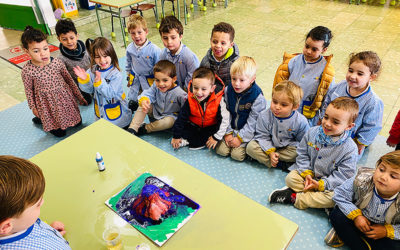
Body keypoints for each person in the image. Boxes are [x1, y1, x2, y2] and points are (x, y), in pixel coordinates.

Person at [269, 97, 359, 210]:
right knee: (290, 178)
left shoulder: (350, 149)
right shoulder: (312, 132)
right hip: (309, 176)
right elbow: (302, 153)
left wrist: (322, 184)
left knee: (335, 197)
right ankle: (315, 199)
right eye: (326, 117)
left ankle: (295, 197)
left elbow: (344, 175)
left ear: (349, 126)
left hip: (329, 184)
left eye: (335, 122)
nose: (327, 123)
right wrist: (306, 173)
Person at [21, 26, 87, 137]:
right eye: (36, 51)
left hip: (65, 99)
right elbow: (28, 90)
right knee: (60, 133)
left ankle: (46, 118)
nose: (43, 54)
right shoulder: (27, 71)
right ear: (26, 51)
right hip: (47, 104)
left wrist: (80, 97)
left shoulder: (57, 63)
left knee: (77, 124)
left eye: (45, 48)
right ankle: (42, 119)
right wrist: (33, 107)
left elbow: (70, 81)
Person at [329, 151, 400, 249]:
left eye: (393, 176)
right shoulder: (362, 179)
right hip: (357, 218)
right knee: (337, 215)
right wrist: (356, 216)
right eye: (381, 169)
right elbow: (339, 194)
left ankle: (349, 238)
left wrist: (386, 231)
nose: (383, 177)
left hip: (383, 230)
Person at [320, 51, 383, 157]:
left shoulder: (373, 102)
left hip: (351, 140)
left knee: (344, 161)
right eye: (350, 71)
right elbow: (327, 103)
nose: (352, 76)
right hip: (330, 130)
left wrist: (360, 143)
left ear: (371, 77)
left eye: (360, 74)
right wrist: (322, 118)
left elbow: (372, 127)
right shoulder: (339, 86)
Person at [0, 155, 70, 249]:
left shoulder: (20, 222)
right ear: (6, 227)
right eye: (37, 204)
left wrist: (50, 232)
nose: (42, 202)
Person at [273, 26, 334, 123]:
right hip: (286, 111)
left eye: (314, 49)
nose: (309, 51)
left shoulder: (326, 71)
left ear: (324, 50)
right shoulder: (292, 61)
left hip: (307, 116)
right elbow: (279, 86)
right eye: (307, 46)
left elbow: (327, 98)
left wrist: (322, 118)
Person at [246, 80, 309, 171]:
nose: (277, 107)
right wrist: (270, 152)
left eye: (283, 105)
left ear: (295, 107)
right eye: (275, 102)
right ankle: (280, 164)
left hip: (288, 149)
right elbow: (262, 136)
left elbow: (303, 143)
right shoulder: (264, 116)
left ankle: (270, 161)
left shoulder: (301, 121)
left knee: (297, 153)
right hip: (268, 145)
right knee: (250, 147)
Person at [215, 56, 267, 161]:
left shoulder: (258, 98)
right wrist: (228, 133)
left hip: (247, 132)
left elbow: (253, 122)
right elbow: (225, 113)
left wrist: (240, 138)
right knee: (221, 151)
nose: (236, 83)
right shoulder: (228, 90)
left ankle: (245, 148)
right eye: (233, 79)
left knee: (237, 156)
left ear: (252, 79)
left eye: (242, 80)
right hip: (230, 128)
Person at [74, 37, 132, 129]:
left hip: (118, 115)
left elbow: (111, 94)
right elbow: (89, 90)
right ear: (93, 57)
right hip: (101, 112)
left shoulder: (116, 74)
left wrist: (99, 83)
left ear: (111, 55)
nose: (102, 60)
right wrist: (85, 80)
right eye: (97, 57)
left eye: (105, 56)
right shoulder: (92, 70)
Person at [171, 67, 230, 150]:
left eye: (203, 89)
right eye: (195, 88)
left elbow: (225, 120)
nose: (199, 92)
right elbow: (182, 116)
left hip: (210, 126)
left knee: (200, 141)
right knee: (177, 128)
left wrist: (216, 137)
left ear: (212, 89)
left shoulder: (220, 100)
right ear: (192, 86)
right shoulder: (191, 98)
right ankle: (185, 139)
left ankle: (187, 141)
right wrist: (176, 136)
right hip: (194, 124)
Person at [127, 60, 187, 135]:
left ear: (174, 79)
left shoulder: (181, 94)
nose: (161, 84)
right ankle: (133, 128)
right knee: (143, 104)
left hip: (168, 118)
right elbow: (148, 93)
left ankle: (145, 128)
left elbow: (185, 111)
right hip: (155, 112)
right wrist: (144, 100)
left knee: (169, 121)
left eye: (165, 80)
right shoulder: (155, 86)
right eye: (157, 80)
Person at [125, 15, 161, 112]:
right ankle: (134, 102)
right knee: (134, 92)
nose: (136, 36)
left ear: (146, 32)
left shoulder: (154, 50)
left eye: (139, 32)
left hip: (149, 79)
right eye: (133, 33)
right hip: (135, 77)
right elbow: (128, 63)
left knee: (149, 97)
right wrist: (128, 76)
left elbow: (160, 68)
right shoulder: (129, 48)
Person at [56, 18, 92, 104]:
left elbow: (93, 63)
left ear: (77, 36)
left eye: (72, 38)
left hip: (91, 78)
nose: (69, 42)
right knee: (88, 101)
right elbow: (64, 79)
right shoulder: (61, 59)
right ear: (59, 39)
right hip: (78, 85)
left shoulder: (86, 49)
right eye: (64, 39)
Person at [159, 16, 199, 90]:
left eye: (173, 37)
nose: (169, 42)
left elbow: (193, 78)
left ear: (180, 36)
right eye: (165, 38)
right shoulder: (162, 55)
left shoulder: (188, 56)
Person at [200, 22, 239, 86]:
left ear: (231, 45)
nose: (218, 46)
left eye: (223, 43)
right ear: (210, 40)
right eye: (214, 42)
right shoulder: (205, 61)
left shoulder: (236, 64)